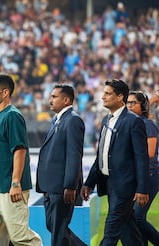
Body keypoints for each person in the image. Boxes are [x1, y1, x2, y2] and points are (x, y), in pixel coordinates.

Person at [80, 79, 149, 245]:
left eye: (107, 93)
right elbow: (102, 155)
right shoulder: (106, 120)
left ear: (120, 97)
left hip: (125, 185)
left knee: (111, 231)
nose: (102, 97)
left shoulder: (134, 121)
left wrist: (142, 189)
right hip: (110, 183)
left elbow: (142, 158)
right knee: (128, 231)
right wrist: (89, 183)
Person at [0, 73, 42, 246]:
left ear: (5, 92)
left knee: (20, 237)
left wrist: (15, 183)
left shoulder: (12, 116)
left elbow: (20, 150)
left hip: (10, 189)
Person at [36, 84, 87, 246]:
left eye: (54, 97)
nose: (50, 100)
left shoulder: (73, 120)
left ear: (66, 100)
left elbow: (74, 155)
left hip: (62, 187)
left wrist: (70, 186)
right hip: (51, 187)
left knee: (58, 230)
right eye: (50, 96)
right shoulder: (58, 120)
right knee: (55, 227)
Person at [125, 91, 159, 245]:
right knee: (134, 218)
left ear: (143, 106)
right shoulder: (133, 123)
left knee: (137, 217)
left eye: (133, 103)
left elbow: (150, 153)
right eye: (128, 102)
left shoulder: (147, 124)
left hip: (150, 175)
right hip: (139, 175)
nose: (129, 106)